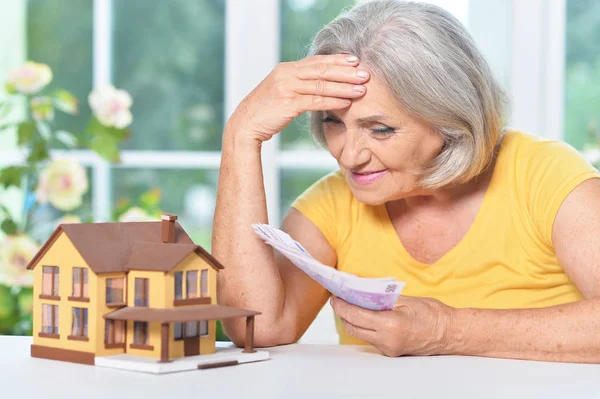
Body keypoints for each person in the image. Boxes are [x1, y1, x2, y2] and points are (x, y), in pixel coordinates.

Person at [212, 0, 600, 363]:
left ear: (449, 119)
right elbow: (258, 327)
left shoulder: (545, 175)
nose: (349, 156)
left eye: (379, 129)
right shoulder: (332, 202)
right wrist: (240, 135)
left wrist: (449, 331)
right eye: (333, 121)